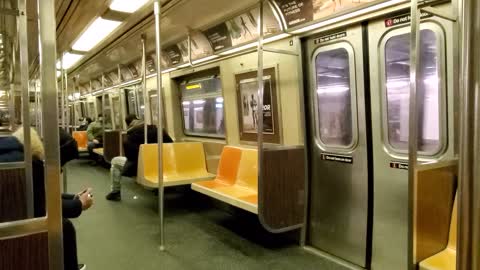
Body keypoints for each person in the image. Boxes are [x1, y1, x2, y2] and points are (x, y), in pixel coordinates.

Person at [0, 127, 93, 270]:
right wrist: (79, 204)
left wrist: (73, 197)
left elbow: (38, 194)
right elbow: (43, 206)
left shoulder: (10, 153)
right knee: (63, 227)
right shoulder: (30, 164)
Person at [106, 114, 173, 201]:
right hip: (163, 163)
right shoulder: (159, 130)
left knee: (115, 161)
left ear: (128, 124)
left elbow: (130, 157)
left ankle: (115, 192)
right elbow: (171, 145)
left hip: (142, 166)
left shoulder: (130, 137)